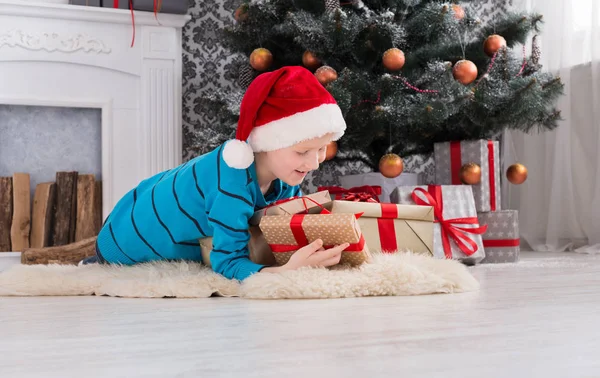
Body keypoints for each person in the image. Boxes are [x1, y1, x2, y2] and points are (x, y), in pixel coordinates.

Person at [85, 66, 350, 280]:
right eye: (303, 151)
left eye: (322, 150)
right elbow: (228, 264)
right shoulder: (230, 185)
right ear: (267, 143)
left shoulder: (285, 176)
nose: (315, 164)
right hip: (125, 244)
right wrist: (284, 272)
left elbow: (287, 226)